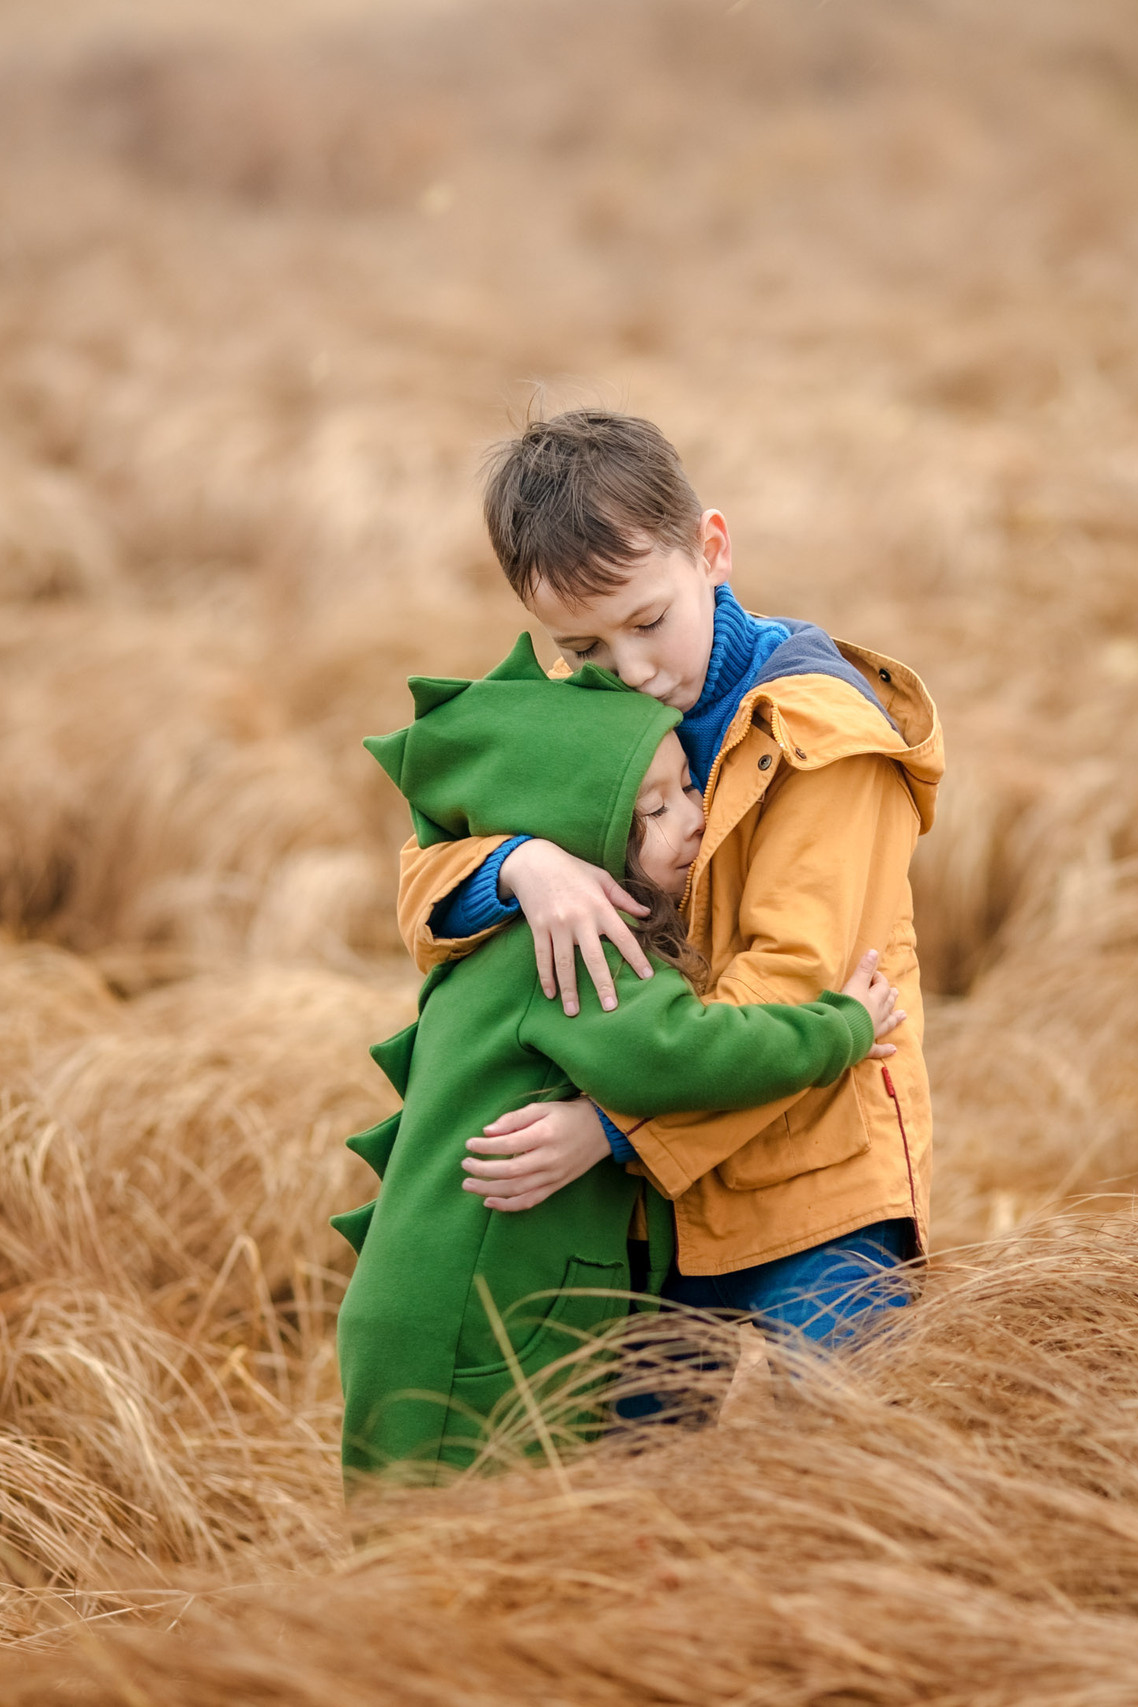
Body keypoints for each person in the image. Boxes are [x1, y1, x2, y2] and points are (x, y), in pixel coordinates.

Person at [400, 410, 944, 1346]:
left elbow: (795, 987)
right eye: (587, 651)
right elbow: (423, 880)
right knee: (634, 1486)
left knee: (844, 1468)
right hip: (646, 1214)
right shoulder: (582, 725)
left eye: (649, 621)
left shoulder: (825, 739)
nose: (634, 671)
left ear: (713, 549)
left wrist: (610, 1128)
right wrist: (517, 864)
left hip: (816, 1190)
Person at [334, 638, 904, 1488]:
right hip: (473, 1323)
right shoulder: (575, 947)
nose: (696, 816)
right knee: (472, 1550)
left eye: (686, 788)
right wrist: (846, 1029)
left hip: (450, 1304)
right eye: (654, 811)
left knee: (442, 1545)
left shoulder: (525, 932)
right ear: (585, 834)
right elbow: (689, 1052)